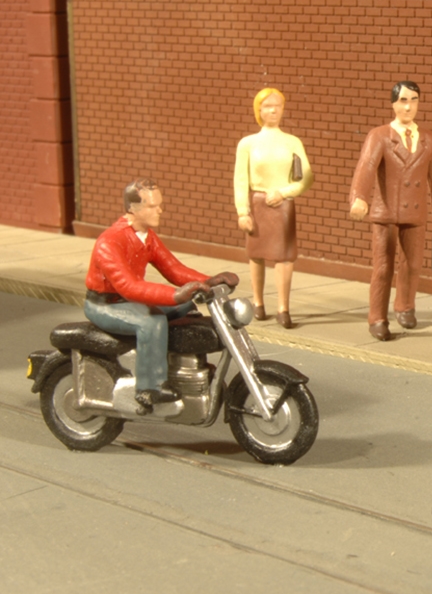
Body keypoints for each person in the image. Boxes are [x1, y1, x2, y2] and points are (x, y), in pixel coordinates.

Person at [84, 179, 238, 413]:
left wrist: (208, 281)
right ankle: (149, 387)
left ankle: (181, 364)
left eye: (160, 205)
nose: (160, 210)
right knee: (151, 322)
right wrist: (175, 295)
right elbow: (128, 286)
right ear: (132, 208)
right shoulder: (110, 242)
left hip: (130, 301)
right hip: (106, 305)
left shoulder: (147, 237)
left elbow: (173, 269)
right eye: (152, 206)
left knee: (187, 307)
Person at [349, 80, 432, 341]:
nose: (408, 107)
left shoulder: (428, 139)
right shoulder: (379, 136)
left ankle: (405, 306)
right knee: (383, 267)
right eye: (403, 101)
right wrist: (359, 198)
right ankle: (377, 317)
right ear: (393, 104)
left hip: (415, 213)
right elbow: (366, 167)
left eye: (413, 100)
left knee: (413, 264)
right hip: (386, 212)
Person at [234, 87, 314, 329]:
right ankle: (258, 302)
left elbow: (306, 177)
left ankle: (283, 307)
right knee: (256, 254)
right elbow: (240, 180)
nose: (273, 111)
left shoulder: (292, 142)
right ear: (258, 110)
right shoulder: (248, 143)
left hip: (282, 207)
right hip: (258, 204)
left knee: (285, 257)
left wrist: (284, 192)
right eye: (267, 106)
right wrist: (242, 211)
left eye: (277, 106)